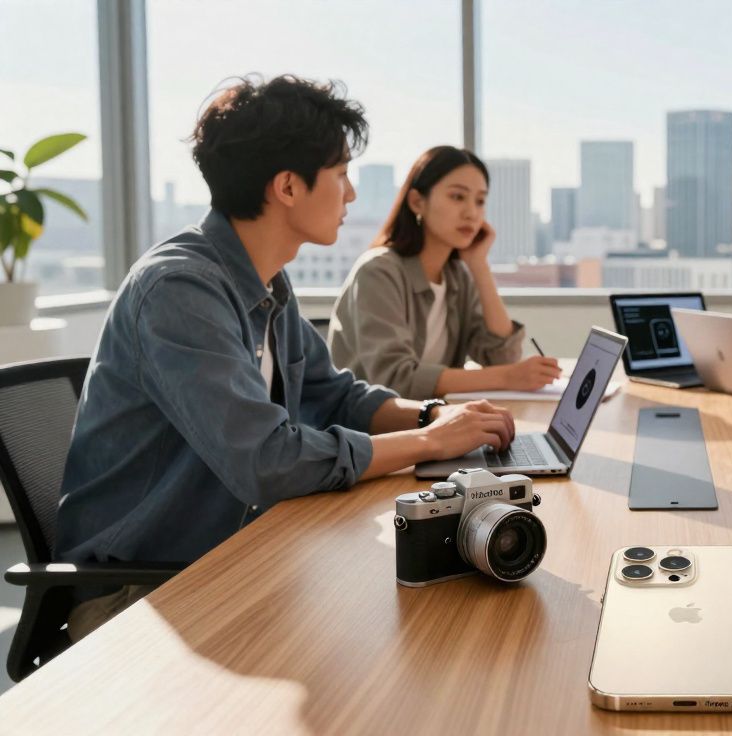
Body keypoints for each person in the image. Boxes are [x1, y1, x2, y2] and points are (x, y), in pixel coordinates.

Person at [56, 75, 517, 640]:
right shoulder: (179, 290)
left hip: (237, 551)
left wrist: (428, 415)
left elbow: (334, 394)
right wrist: (428, 444)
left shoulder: (265, 283)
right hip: (142, 594)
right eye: (342, 175)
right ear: (288, 187)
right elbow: (266, 460)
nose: (351, 196)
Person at [328, 146, 560, 399]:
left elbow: (502, 357)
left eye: (480, 201)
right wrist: (508, 376)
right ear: (417, 202)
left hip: (430, 424)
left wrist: (479, 266)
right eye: (458, 197)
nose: (472, 213)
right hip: (368, 432)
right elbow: (395, 379)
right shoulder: (378, 271)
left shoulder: (458, 276)